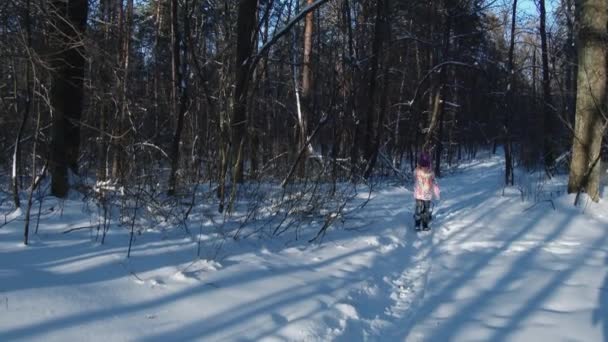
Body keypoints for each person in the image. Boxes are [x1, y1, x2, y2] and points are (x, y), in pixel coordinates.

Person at [413, 151, 440, 230]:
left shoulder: (431, 173)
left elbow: (435, 183)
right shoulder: (417, 172)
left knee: (426, 210)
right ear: (420, 165)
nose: (425, 168)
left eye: (426, 166)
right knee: (418, 209)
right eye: (423, 165)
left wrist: (436, 192)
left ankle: (425, 224)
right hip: (419, 194)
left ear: (429, 165)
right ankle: (417, 223)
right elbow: (414, 175)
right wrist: (418, 167)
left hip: (427, 195)